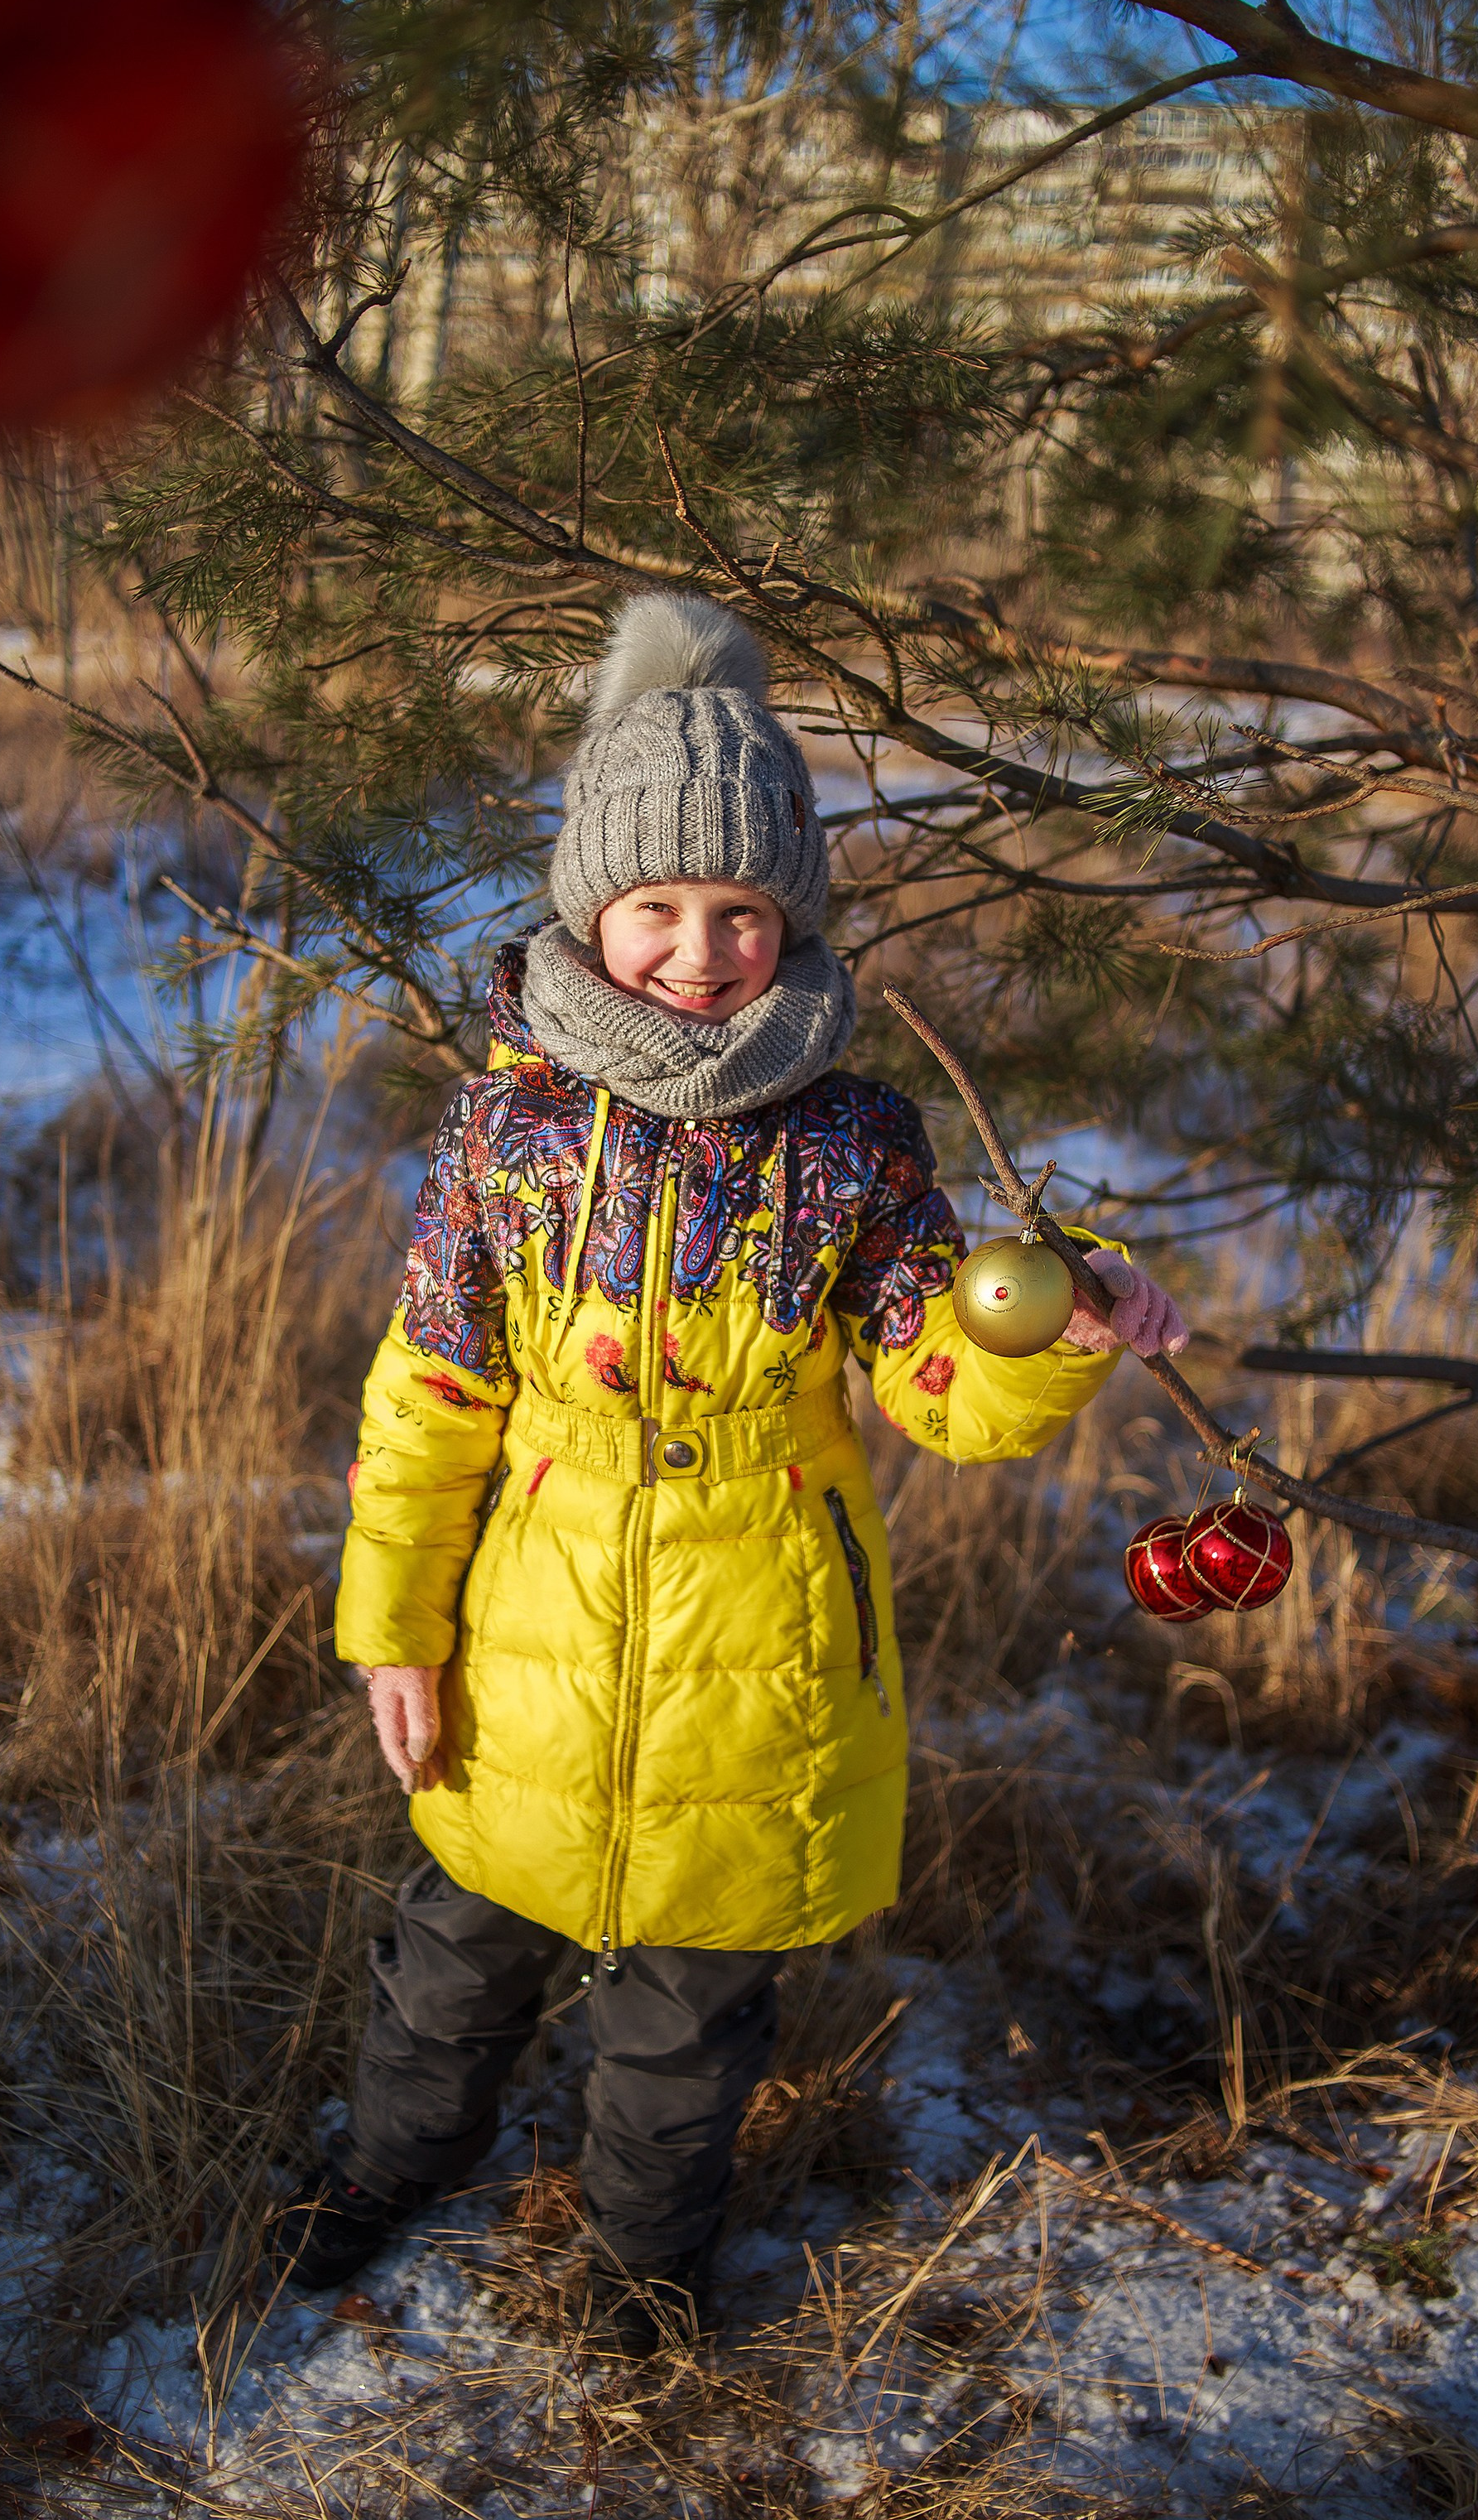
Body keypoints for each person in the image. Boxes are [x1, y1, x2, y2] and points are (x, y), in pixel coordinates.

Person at [270, 595, 1187, 2351]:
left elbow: (930, 1377)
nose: (699, 951)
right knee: (451, 1970)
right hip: (526, 1649)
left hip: (759, 1651)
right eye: (659, 908)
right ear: (590, 908)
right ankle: (387, 2174)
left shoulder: (853, 1137)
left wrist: (1046, 1335)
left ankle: (643, 2269)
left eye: (742, 911)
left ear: (792, 919)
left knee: (688, 2028)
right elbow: (433, 1388)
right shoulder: (508, 1124)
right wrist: (395, 1626)